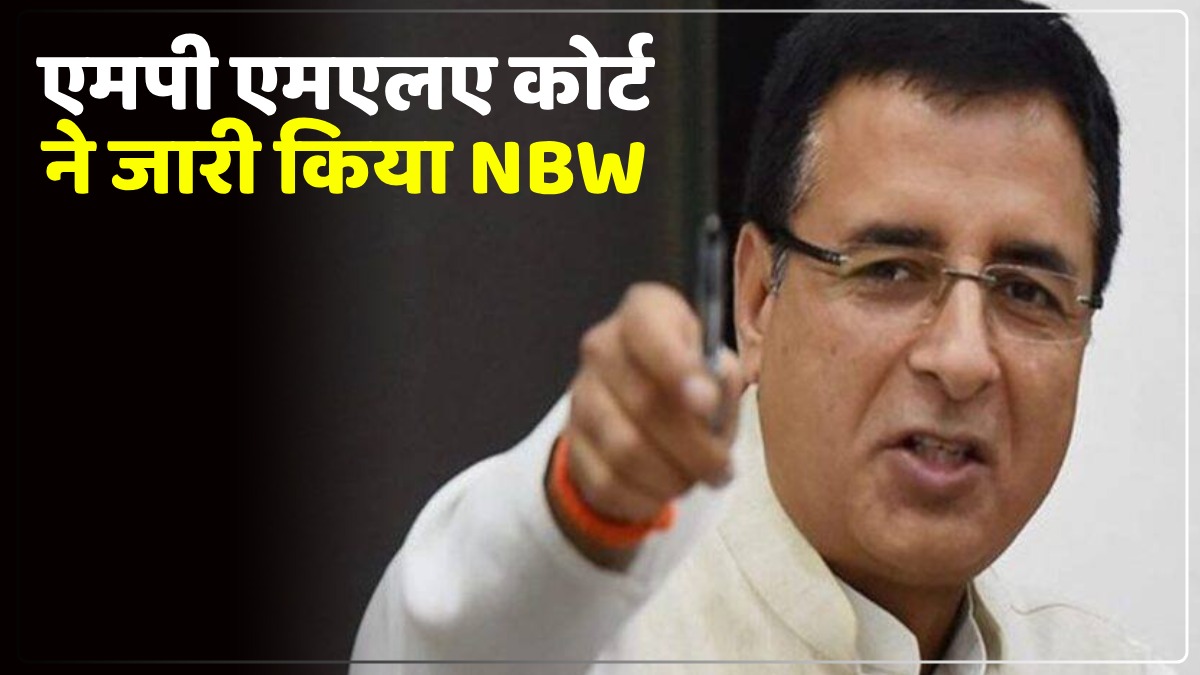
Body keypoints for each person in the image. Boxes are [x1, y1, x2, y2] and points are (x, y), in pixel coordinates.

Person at [350, 2, 1175, 673]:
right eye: (891, 269)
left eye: (1026, 291)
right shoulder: (605, 637)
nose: (962, 358)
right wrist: (580, 505)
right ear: (755, 297)